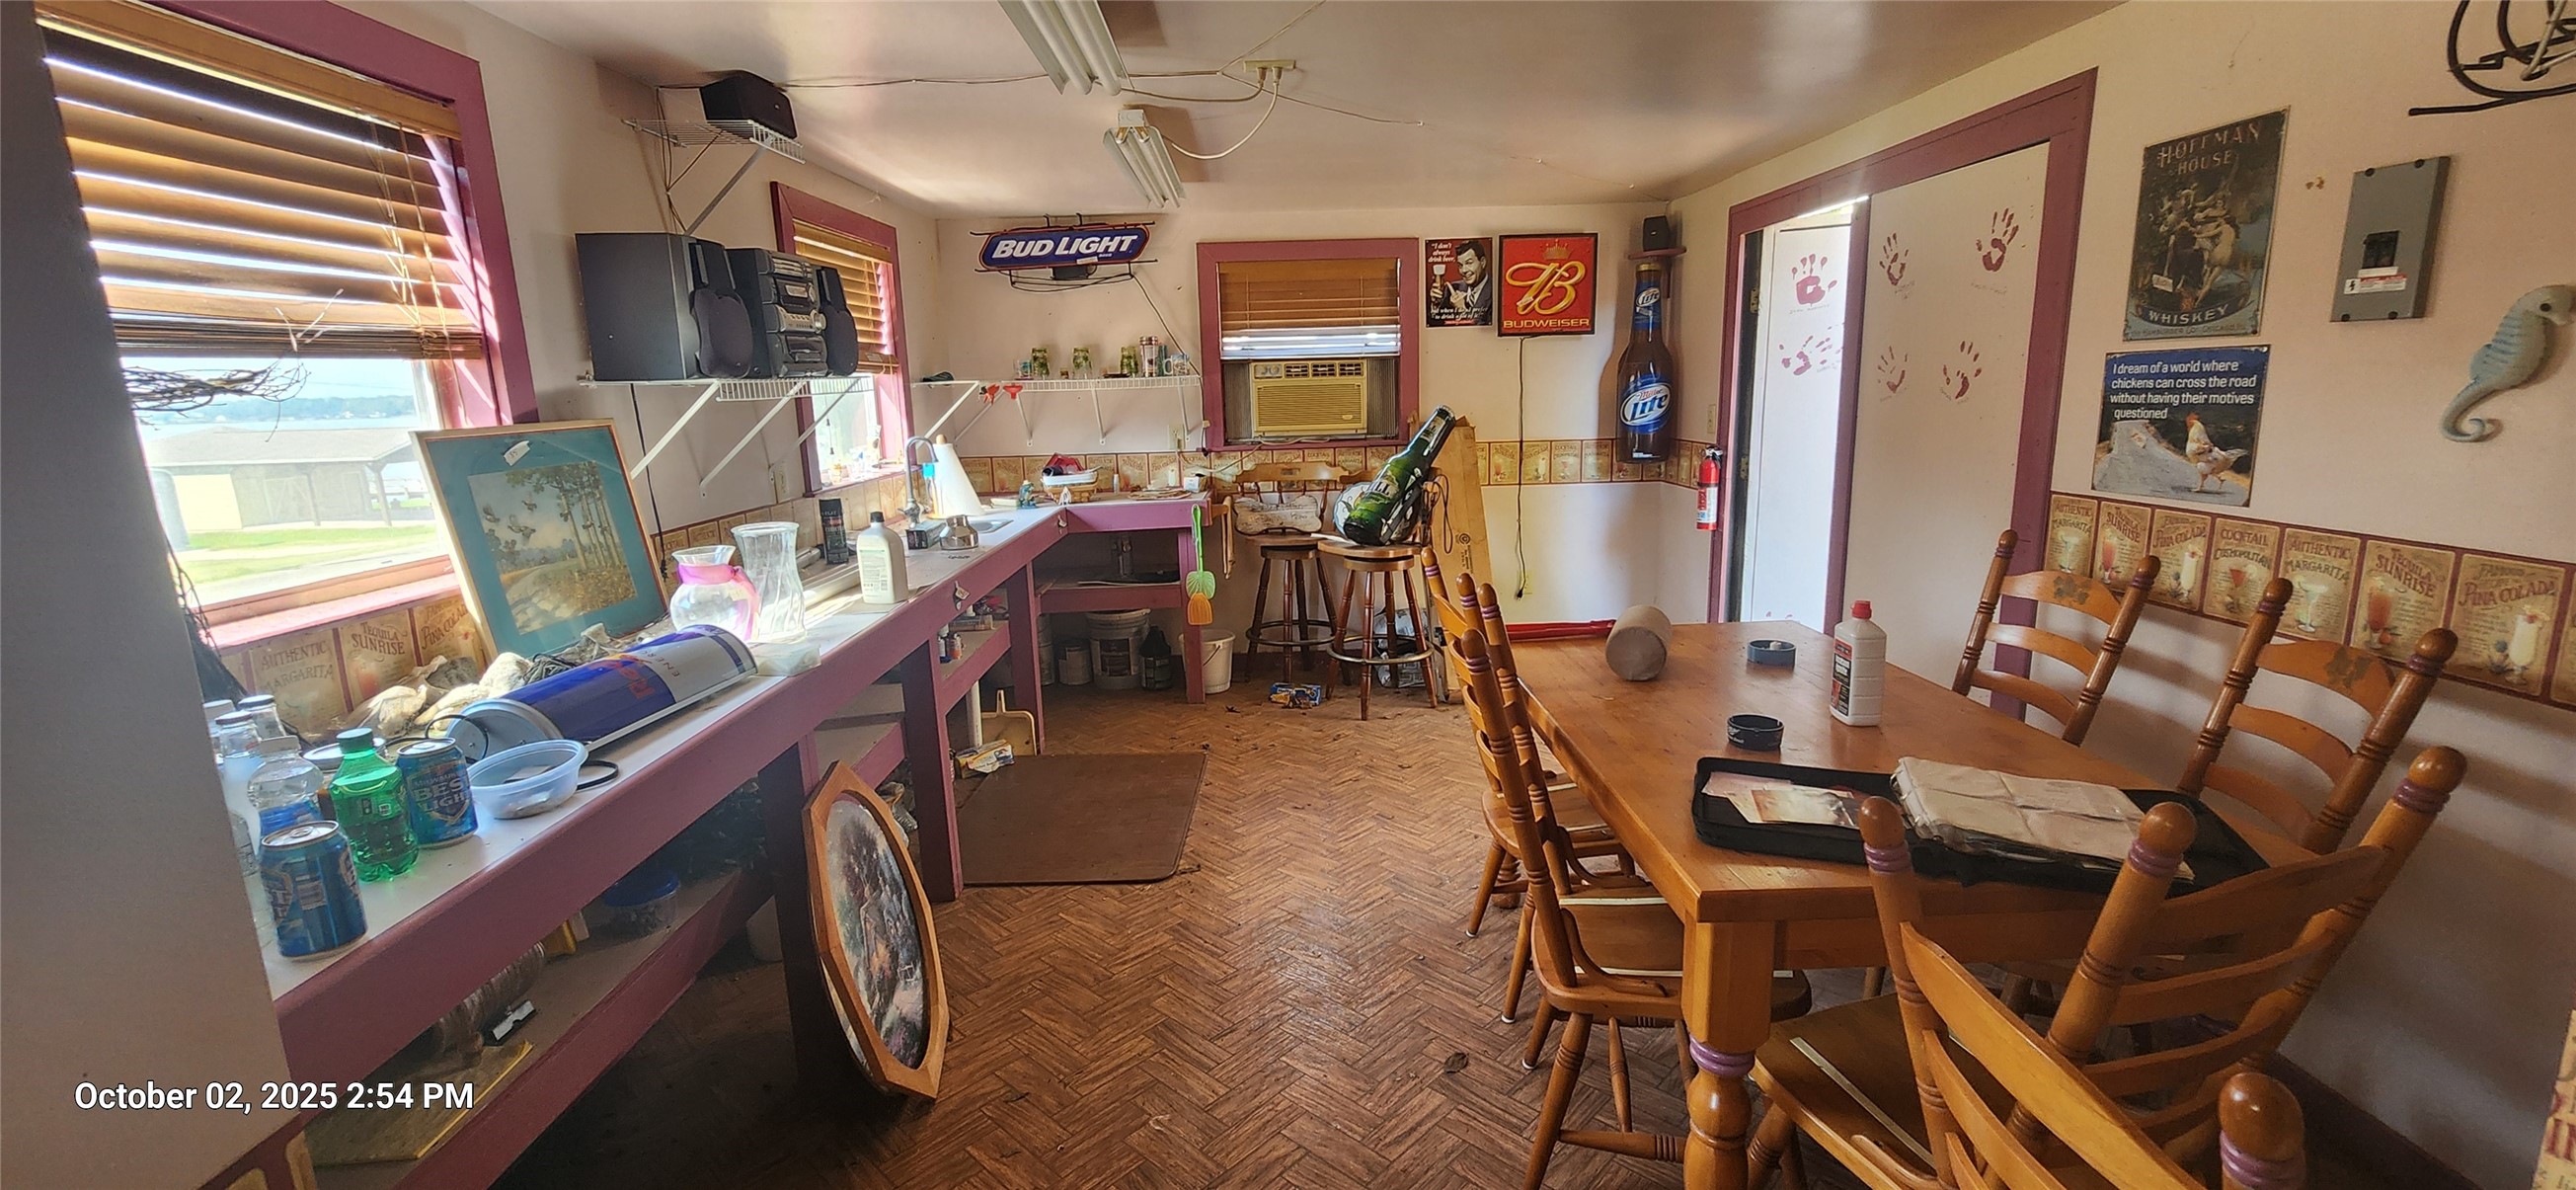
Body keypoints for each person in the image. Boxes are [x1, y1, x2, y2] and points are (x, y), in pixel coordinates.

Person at [1430, 240, 1493, 325]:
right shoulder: (1453, 289)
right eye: (1460, 265)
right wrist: (1435, 305)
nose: (1464, 270)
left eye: (1469, 263)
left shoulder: (1496, 290)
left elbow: (1484, 328)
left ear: (1483, 262)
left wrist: (1462, 309)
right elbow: (1435, 324)